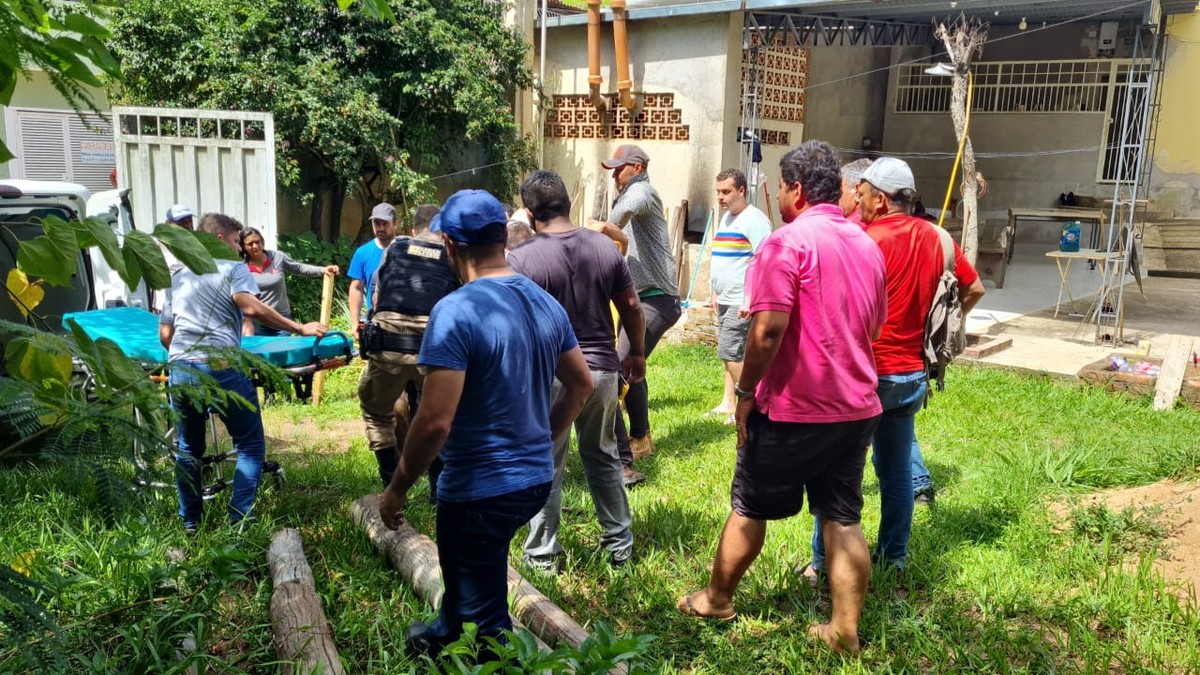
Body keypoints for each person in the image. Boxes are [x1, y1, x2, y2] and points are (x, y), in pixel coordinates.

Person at [676, 141, 887, 657]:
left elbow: (768, 330)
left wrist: (745, 392)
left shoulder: (786, 243)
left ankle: (717, 598)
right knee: (843, 516)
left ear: (794, 189)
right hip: (857, 404)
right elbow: (874, 324)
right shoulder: (865, 244)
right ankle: (843, 629)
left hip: (794, 408)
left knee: (748, 506)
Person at [377, 189, 593, 658]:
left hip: (479, 489)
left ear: (449, 247)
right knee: (472, 566)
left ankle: (484, 650)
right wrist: (539, 441)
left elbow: (434, 421)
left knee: (485, 620)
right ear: (503, 237)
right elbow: (581, 385)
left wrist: (396, 488)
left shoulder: (456, 311)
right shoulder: (543, 303)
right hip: (534, 481)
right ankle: (446, 629)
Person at [804, 156, 985, 586]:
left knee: (836, 474)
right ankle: (894, 559)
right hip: (911, 377)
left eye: (862, 195)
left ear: (881, 200)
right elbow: (973, 287)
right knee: (897, 472)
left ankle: (822, 563)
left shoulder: (862, 238)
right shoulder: (938, 238)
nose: (858, 202)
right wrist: (935, 325)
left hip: (864, 376)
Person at [511, 170, 647, 572]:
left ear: (530, 212)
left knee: (546, 462)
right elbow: (633, 308)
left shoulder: (521, 259)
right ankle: (620, 549)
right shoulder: (605, 248)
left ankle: (541, 557)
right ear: (568, 203)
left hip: (551, 376)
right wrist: (636, 353)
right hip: (603, 372)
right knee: (603, 456)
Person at [158, 213, 327, 533]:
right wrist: (298, 328)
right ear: (220, 239)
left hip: (181, 367)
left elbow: (166, 335)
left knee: (189, 449)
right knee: (250, 445)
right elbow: (250, 307)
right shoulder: (233, 269)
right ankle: (239, 522)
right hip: (222, 367)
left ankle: (190, 522)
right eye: (237, 241)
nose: (241, 248)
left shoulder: (178, 275)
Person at [587, 144, 681, 487]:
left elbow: (612, 224)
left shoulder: (642, 192)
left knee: (612, 372)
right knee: (630, 366)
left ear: (637, 168)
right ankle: (641, 438)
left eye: (619, 169)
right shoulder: (633, 191)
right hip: (639, 299)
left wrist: (590, 231)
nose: (614, 175)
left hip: (657, 300)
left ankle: (619, 454)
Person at [357, 204, 457, 489]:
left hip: (388, 348)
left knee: (376, 410)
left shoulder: (394, 250)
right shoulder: (451, 255)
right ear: (443, 230)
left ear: (413, 229)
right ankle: (439, 484)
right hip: (433, 350)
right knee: (442, 414)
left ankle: (391, 478)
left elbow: (377, 300)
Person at [707, 168, 772, 422]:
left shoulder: (755, 221)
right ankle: (728, 402)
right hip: (724, 297)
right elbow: (720, 257)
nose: (721, 197)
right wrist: (714, 291)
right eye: (718, 192)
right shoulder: (726, 219)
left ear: (741, 190)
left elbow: (765, 262)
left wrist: (750, 298)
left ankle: (752, 403)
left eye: (726, 192)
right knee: (730, 350)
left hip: (741, 301)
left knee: (730, 351)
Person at [239, 227, 339, 337]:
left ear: (262, 241)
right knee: (262, 354)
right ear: (243, 247)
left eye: (257, 242)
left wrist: (322, 270)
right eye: (250, 244)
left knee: (282, 351)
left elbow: (299, 268)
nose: (255, 246)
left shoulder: (277, 257)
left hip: (282, 320)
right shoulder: (241, 268)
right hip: (259, 322)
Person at [347, 203, 398, 326]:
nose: (380, 227)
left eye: (385, 223)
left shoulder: (406, 250)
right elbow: (356, 288)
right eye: (377, 223)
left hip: (401, 320)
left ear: (395, 224)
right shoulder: (362, 253)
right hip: (375, 320)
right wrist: (355, 322)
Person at [838, 158, 873, 228]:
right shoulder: (879, 221)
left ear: (858, 193)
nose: (836, 197)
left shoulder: (851, 227)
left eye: (839, 189)